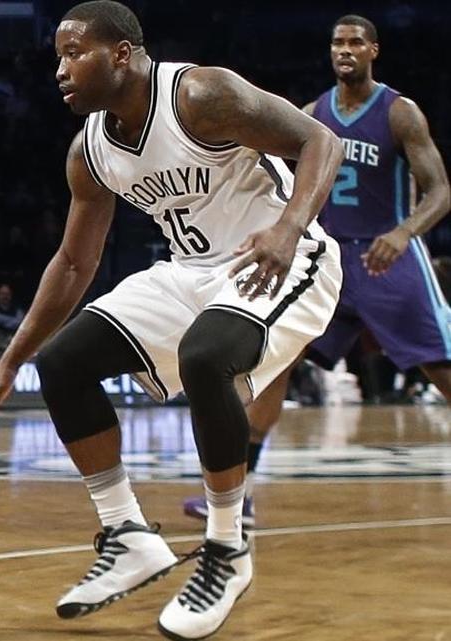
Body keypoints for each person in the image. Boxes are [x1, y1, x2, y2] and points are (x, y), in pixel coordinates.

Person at [0, 2, 343, 639]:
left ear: (123, 53)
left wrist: (288, 225)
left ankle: (226, 549)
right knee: (63, 364)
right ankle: (127, 534)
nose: (61, 70)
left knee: (204, 357)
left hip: (282, 256)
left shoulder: (199, 94)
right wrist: (9, 363)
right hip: (191, 273)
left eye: (74, 53)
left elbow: (318, 139)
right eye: (58, 57)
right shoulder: (91, 152)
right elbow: (74, 265)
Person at [181, 15, 451, 529]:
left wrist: (402, 233)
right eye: (337, 43)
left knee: (441, 367)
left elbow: (440, 191)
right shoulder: (312, 115)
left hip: (385, 255)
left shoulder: (401, 113)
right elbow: (287, 186)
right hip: (327, 258)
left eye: (355, 42)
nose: (345, 50)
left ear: (374, 50)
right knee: (273, 365)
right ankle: (240, 497)